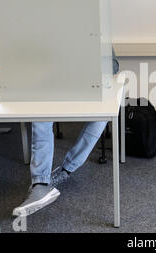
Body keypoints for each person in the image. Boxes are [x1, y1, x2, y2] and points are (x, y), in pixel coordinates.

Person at [13, 49, 119, 217]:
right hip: (58, 86)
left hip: (90, 88)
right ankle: (40, 183)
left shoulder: (98, 27)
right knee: (40, 115)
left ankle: (66, 170)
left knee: (103, 116)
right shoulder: (54, 28)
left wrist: (91, 66)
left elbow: (114, 65)